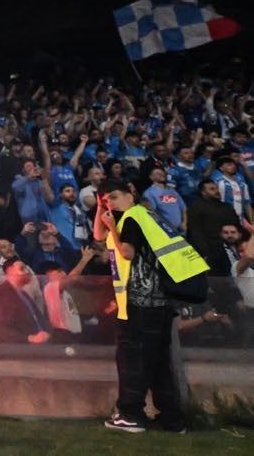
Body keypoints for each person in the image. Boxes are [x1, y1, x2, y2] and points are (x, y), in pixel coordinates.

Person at [94, 179, 207, 434]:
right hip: (160, 302)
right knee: (158, 363)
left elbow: (127, 253)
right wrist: (103, 213)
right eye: (106, 200)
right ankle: (171, 419)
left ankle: (130, 415)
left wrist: (112, 227)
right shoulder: (146, 216)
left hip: (140, 302)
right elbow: (97, 235)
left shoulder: (132, 219)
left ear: (129, 194)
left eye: (114, 197)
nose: (111, 203)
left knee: (133, 360)